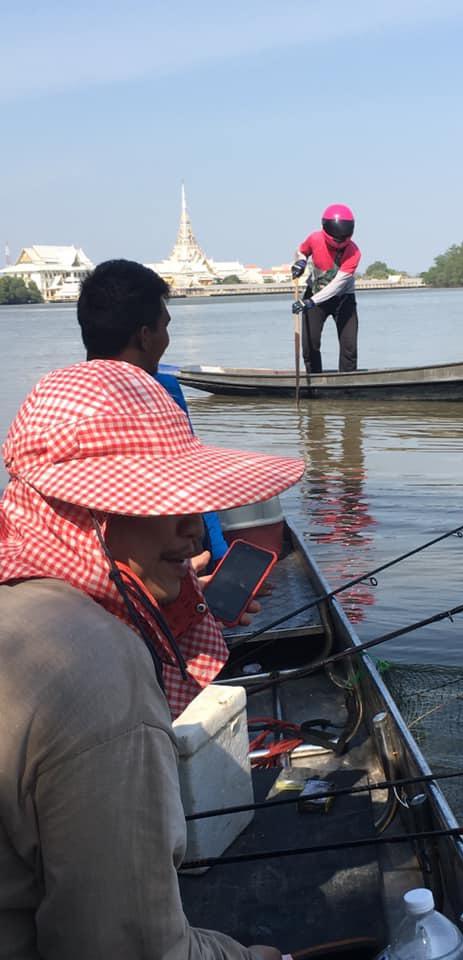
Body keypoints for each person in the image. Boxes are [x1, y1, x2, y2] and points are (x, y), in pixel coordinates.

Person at [0, 359, 304, 958]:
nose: (196, 529)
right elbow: (128, 949)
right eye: (165, 501)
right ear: (90, 517)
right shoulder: (97, 667)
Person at [77, 258, 228, 566]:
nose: (167, 339)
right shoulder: (159, 391)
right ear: (145, 336)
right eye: (165, 326)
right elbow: (192, 483)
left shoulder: (58, 397)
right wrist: (219, 556)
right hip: (161, 564)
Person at [291, 204, 362, 373]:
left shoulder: (354, 252)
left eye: (343, 236)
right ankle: (314, 382)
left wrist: (309, 302)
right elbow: (301, 251)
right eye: (336, 237)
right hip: (314, 294)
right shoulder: (315, 239)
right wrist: (300, 261)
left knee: (349, 347)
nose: (339, 240)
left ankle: (347, 384)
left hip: (343, 298)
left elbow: (337, 285)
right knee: (310, 345)